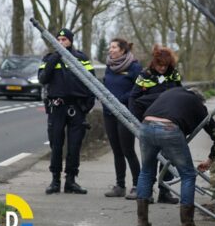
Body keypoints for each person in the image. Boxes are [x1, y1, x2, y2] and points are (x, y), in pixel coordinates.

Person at [135, 87, 215, 226]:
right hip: (169, 128)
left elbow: (139, 101)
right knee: (188, 175)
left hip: (146, 125)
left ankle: (142, 221)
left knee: (146, 172)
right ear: (200, 100)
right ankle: (187, 225)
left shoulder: (170, 92)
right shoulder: (198, 105)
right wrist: (210, 160)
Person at [38, 27, 96, 195]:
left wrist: (87, 107)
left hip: (77, 108)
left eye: (65, 40)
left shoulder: (81, 58)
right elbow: (43, 78)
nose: (62, 42)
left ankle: (71, 181)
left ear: (71, 41)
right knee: (56, 144)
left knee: (75, 146)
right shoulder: (49, 58)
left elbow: (92, 83)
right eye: (59, 40)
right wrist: (55, 57)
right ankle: (55, 180)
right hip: (57, 107)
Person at [128, 44, 182, 204]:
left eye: (165, 66)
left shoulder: (174, 75)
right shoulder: (145, 75)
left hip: (169, 123)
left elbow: (180, 95)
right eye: (159, 65)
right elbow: (133, 97)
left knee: (167, 158)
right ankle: (147, 193)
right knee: (150, 159)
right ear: (154, 62)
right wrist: (135, 119)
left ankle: (164, 191)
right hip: (149, 122)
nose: (162, 69)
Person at [102, 37, 142, 199]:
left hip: (125, 113)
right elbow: (105, 86)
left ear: (123, 50)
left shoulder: (134, 67)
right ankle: (120, 186)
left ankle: (138, 185)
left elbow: (137, 89)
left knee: (128, 150)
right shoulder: (109, 66)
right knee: (117, 151)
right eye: (110, 47)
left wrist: (121, 100)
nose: (110, 50)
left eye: (114, 47)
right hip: (109, 113)